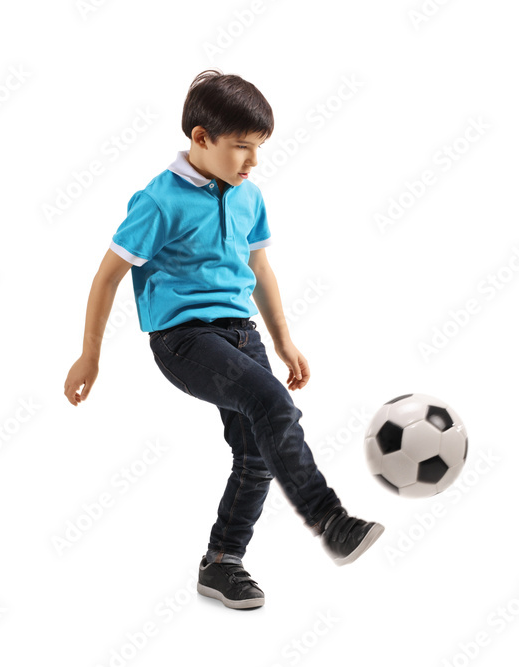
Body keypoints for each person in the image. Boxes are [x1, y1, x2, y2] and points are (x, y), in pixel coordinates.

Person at [62, 69, 383, 610]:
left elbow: (260, 266)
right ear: (200, 139)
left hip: (242, 334)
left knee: (256, 450)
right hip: (184, 338)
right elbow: (108, 275)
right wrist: (90, 354)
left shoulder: (248, 195)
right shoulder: (158, 200)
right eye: (241, 148)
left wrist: (283, 341)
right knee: (272, 404)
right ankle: (331, 520)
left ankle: (222, 563)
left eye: (258, 149)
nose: (252, 161)